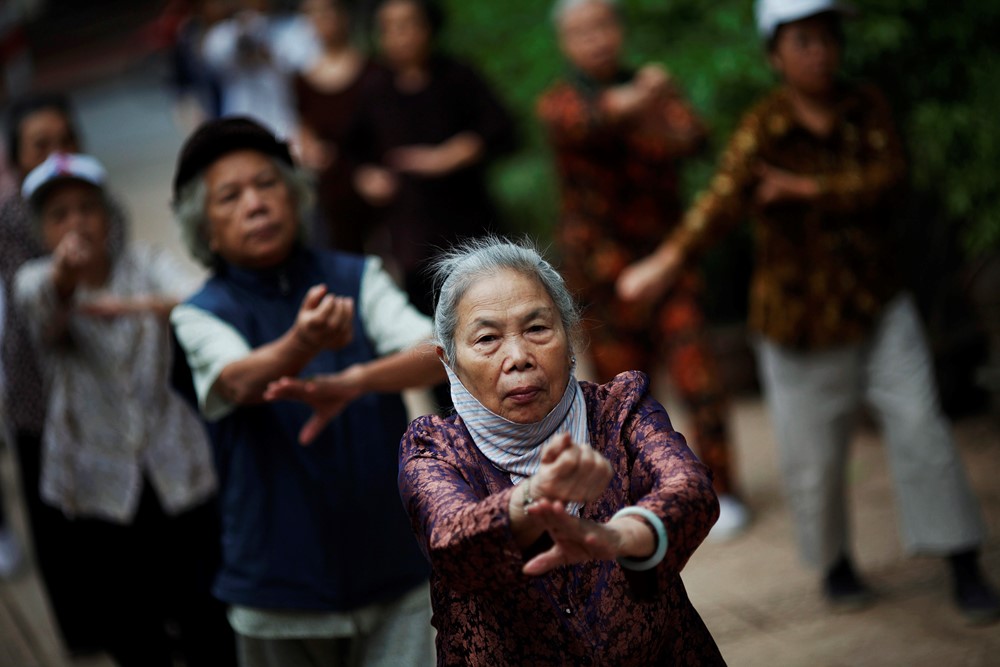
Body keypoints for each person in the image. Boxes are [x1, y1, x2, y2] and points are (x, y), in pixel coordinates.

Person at [616, 0, 1000, 623]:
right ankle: (836, 562)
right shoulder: (764, 127)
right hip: (796, 324)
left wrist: (806, 190)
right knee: (813, 455)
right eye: (802, 41)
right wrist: (664, 263)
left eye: (826, 38)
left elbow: (890, 179)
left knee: (923, 430)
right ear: (775, 56)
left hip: (878, 307)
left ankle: (962, 560)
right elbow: (720, 203)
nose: (818, 51)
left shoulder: (865, 107)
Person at [169, 116, 445, 666]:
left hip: (395, 571)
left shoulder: (357, 276)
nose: (255, 203)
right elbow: (238, 379)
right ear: (207, 229)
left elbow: (439, 353)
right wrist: (301, 342)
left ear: (296, 197)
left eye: (267, 184)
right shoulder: (197, 314)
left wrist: (358, 379)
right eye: (230, 196)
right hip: (277, 588)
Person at [390, 237, 725, 664]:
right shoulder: (433, 448)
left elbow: (691, 488)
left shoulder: (620, 409)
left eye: (537, 329)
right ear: (448, 360)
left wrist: (619, 536)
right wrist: (536, 494)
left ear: (570, 338)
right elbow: (452, 542)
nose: (518, 357)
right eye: (487, 338)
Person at [537, 0, 748, 539]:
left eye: (604, 24)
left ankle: (720, 489)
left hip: (666, 262)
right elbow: (588, 121)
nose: (596, 39)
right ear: (565, 42)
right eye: (582, 31)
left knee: (699, 375)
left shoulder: (656, 91)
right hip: (602, 280)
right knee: (621, 398)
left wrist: (653, 103)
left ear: (619, 29)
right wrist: (642, 100)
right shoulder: (560, 102)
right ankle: (639, 498)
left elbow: (693, 137)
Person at [14, 153, 236, 665]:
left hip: (174, 467)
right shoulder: (33, 281)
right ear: (41, 231)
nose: (75, 223)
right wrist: (68, 277)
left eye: (86, 208)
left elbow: (201, 300)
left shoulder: (146, 262)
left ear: (108, 214)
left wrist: (135, 306)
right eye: (59, 214)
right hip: (95, 483)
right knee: (131, 625)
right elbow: (47, 304)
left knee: (204, 609)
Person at [343, 0, 517, 317]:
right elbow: (354, 150)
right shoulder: (374, 89)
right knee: (428, 317)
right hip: (411, 230)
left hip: (467, 218)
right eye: (390, 28)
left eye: (409, 24)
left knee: (485, 307)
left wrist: (450, 155)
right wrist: (368, 177)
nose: (401, 35)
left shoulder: (458, 76)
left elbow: (502, 130)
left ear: (429, 26)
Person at [0, 92, 97, 652]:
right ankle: (82, 635)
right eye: (41, 146)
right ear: (17, 161)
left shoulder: (101, 202)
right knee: (55, 515)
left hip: (101, 381)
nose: (58, 155)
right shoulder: (12, 219)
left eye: (66, 140)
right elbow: (32, 298)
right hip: (39, 387)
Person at [294, 0, 380, 253]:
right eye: (313, 14)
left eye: (327, 12)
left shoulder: (373, 71)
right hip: (332, 186)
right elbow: (305, 127)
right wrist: (310, 151)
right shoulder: (303, 78)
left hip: (372, 181)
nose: (321, 20)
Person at [202, 0, 319, 139]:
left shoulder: (294, 27)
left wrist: (269, 53)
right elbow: (212, 58)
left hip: (285, 125)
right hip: (238, 125)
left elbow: (307, 64)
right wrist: (241, 35)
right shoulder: (226, 31)